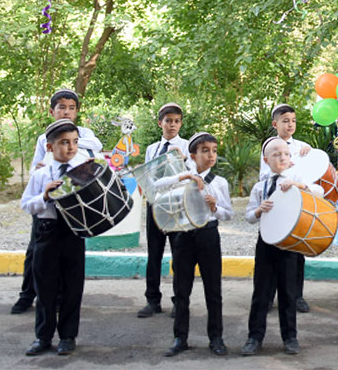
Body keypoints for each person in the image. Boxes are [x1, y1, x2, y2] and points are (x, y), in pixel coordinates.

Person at [13, 89, 102, 316]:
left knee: (69, 254)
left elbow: (96, 149)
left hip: (73, 200)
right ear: (52, 111)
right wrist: (41, 170)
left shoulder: (85, 134)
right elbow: (35, 167)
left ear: (77, 112)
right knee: (35, 251)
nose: (67, 112)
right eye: (62, 108)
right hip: (47, 200)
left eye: (72, 108)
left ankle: (63, 299)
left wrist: (72, 142)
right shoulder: (44, 139)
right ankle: (27, 295)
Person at [241, 138, 324, 356]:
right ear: (266, 160)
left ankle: (290, 337)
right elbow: (249, 216)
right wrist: (259, 210)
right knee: (261, 292)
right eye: (276, 154)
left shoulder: (296, 178)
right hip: (266, 243)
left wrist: (298, 185)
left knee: (288, 293)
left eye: (286, 154)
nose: (282, 157)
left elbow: (319, 192)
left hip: (289, 244)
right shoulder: (261, 186)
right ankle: (254, 337)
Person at [158, 132, 232, 357]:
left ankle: (216, 338)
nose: (211, 155)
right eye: (205, 151)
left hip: (208, 235)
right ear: (193, 155)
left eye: (214, 151)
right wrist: (182, 178)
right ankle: (180, 337)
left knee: (213, 290)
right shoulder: (183, 176)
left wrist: (215, 207)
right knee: (182, 289)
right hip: (184, 236)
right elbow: (156, 186)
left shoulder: (219, 183)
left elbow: (227, 214)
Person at [20, 119, 89, 356]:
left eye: (75, 142)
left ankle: (68, 337)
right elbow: (26, 205)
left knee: (72, 285)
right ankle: (43, 337)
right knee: (45, 288)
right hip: (46, 233)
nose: (71, 148)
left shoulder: (82, 171)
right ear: (50, 147)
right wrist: (45, 196)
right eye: (64, 143)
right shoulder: (40, 174)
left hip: (73, 233)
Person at [261, 104, 315, 314]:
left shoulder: (303, 147)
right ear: (275, 124)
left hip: (297, 205)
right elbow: (263, 177)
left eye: (293, 120)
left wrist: (307, 157)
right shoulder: (269, 147)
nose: (290, 124)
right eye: (285, 121)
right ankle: (268, 296)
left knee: (296, 252)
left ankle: (296, 295)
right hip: (277, 204)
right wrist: (284, 168)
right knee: (273, 250)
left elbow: (310, 178)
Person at [138, 103, 190, 319]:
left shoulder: (186, 146)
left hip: (176, 205)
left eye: (177, 121)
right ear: (160, 123)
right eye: (168, 121)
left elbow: (192, 174)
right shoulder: (152, 149)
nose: (172, 125)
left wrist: (182, 159)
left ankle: (179, 301)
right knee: (154, 253)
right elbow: (148, 175)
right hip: (155, 205)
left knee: (179, 255)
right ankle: (152, 300)